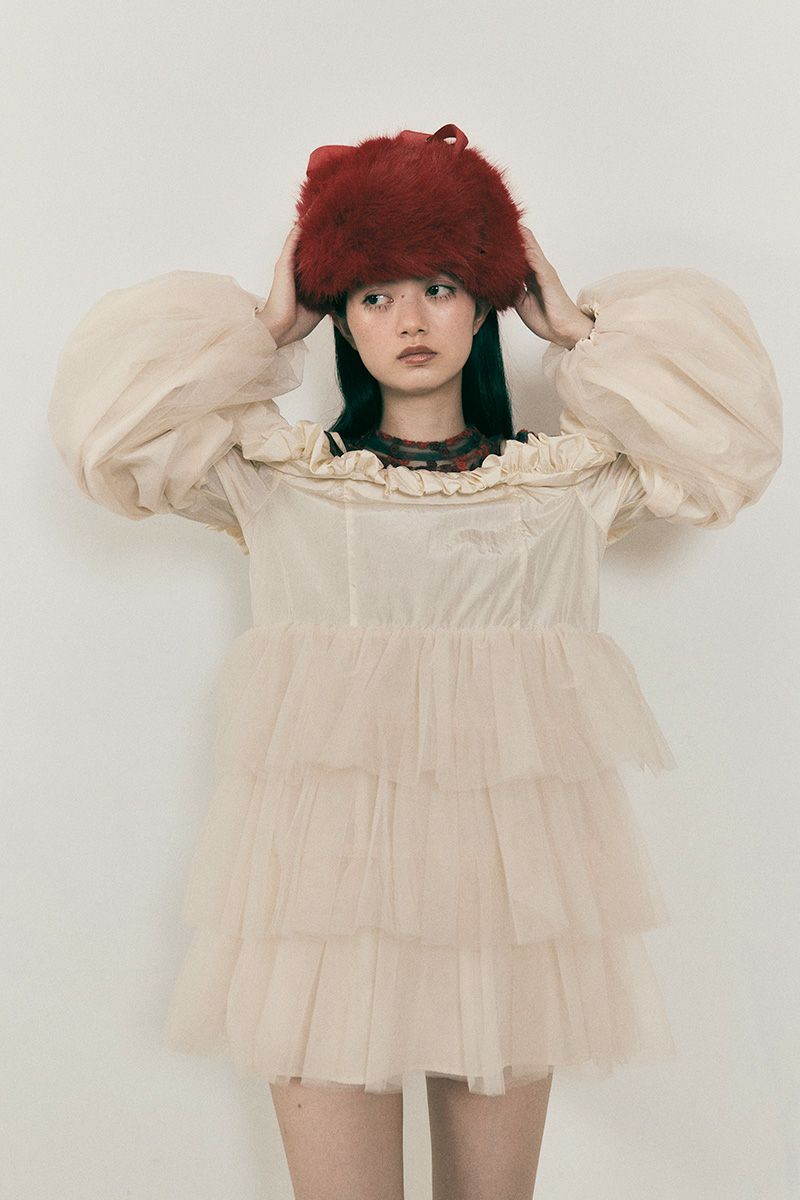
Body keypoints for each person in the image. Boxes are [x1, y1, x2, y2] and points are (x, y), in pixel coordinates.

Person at [47, 124, 783, 1200]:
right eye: (373, 293)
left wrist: (571, 328)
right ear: (339, 316)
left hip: (509, 909)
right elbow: (105, 435)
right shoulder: (285, 480)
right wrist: (266, 326)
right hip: (324, 909)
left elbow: (730, 441)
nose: (408, 319)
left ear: (485, 305)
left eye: (440, 286)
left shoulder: (559, 489)